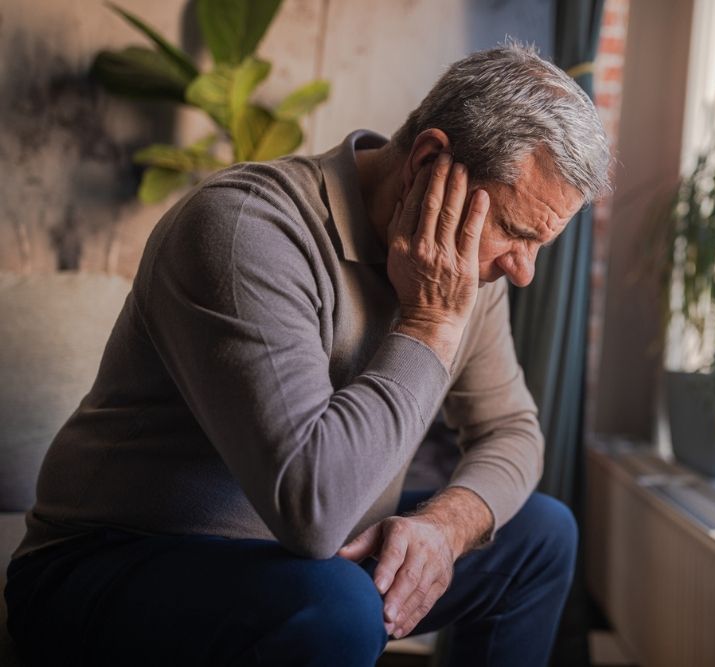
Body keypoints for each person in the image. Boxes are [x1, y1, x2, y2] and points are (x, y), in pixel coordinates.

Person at [4, 43, 610, 666]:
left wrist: (444, 528)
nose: (523, 270)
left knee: (542, 534)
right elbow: (314, 511)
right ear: (430, 163)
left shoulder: (468, 268)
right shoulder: (248, 230)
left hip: (302, 558)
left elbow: (512, 431)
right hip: (110, 562)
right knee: (336, 605)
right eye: (516, 231)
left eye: (541, 242)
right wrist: (427, 323)